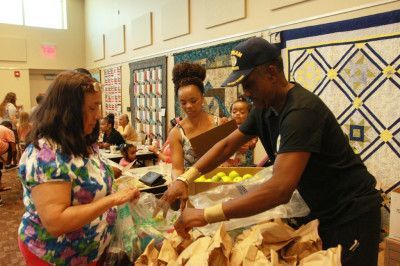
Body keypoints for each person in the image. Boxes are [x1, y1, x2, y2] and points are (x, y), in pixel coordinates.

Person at [159, 38, 382, 266]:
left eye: (249, 84)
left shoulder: (301, 112)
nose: (245, 93)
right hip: (320, 210)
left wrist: (206, 215)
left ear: (272, 73)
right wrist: (186, 179)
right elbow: (226, 145)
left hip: (351, 212)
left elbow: (279, 189)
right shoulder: (263, 109)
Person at [18, 71, 140, 265]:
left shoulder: (81, 139)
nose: (98, 115)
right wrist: (113, 200)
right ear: (69, 111)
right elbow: (56, 222)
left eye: (98, 106)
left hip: (90, 252)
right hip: (56, 257)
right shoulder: (46, 154)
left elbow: (86, 177)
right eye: (92, 108)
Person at [168, 62, 223, 186]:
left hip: (220, 185)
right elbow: (177, 168)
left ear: (202, 98)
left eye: (193, 100)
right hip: (192, 188)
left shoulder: (219, 124)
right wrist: (179, 183)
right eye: (183, 102)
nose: (189, 106)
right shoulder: (177, 133)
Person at [222, 97, 258, 166]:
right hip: (228, 162)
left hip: (244, 162)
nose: (237, 114)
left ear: (249, 114)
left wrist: (250, 144)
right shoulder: (228, 125)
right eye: (234, 112)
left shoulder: (251, 128)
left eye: (242, 112)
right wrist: (223, 125)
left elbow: (253, 143)